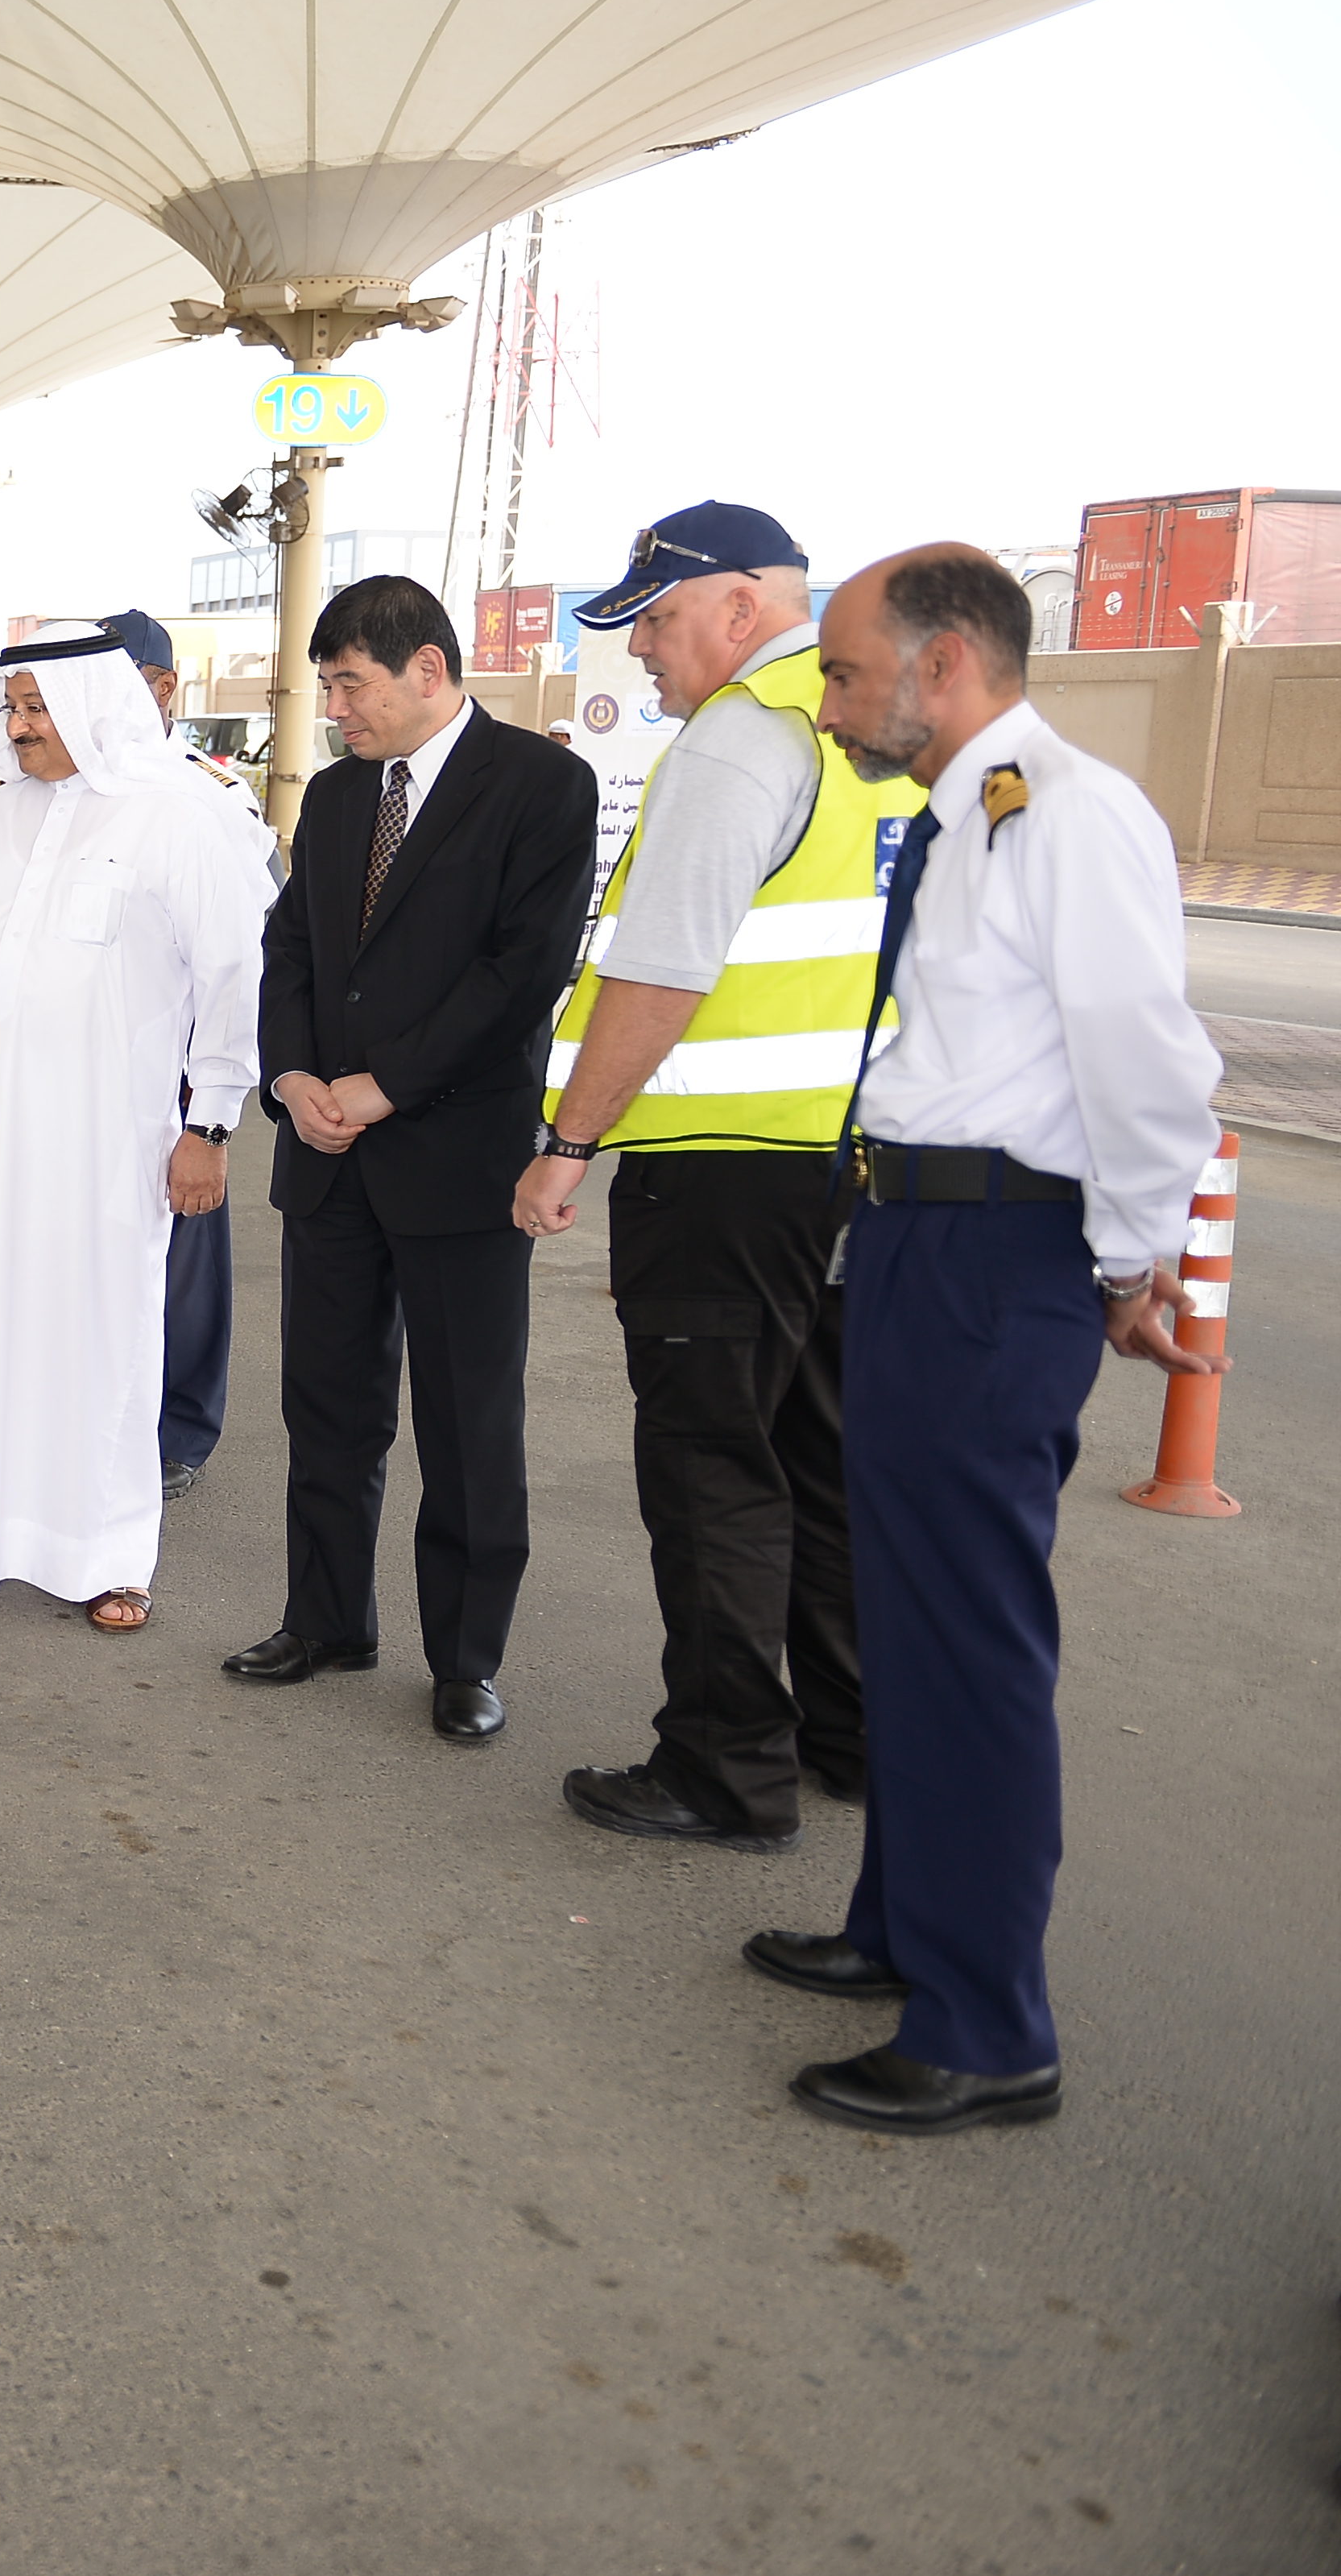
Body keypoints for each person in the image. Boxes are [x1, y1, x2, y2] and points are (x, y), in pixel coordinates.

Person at [745, 545, 1219, 2136]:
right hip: (916, 1236)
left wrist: (1119, 1259)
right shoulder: (968, 816)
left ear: (944, 665)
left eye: (845, 667)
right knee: (905, 1607)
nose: (829, 696)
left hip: (993, 1248)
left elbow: (1144, 1056)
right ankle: (904, 1926)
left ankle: (985, 2021)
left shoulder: (1062, 814)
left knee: (966, 1640)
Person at [516, 503, 902, 1856]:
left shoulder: (744, 735)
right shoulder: (875, 726)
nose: (645, 663)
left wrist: (567, 1140)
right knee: (823, 1465)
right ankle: (848, 1737)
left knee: (713, 1475)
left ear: (739, 608)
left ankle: (724, 1771)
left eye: (658, 626)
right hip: (856, 1167)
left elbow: (663, 967)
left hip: (724, 1175)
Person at [232, 574, 593, 1743]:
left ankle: (465, 1659)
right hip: (328, 1156)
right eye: (328, 685)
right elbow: (287, 948)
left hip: (456, 1158)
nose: (335, 709)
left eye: (350, 684)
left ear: (428, 669)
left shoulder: (542, 786)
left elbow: (523, 970)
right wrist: (291, 1081)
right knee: (328, 1408)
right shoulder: (338, 800)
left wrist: (386, 1084)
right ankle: (327, 1619)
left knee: (466, 1421)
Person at [0, 624, 265, 1623]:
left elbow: (232, 982)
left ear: (94, 705)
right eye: (16, 707)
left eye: (40, 708)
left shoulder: (178, 817)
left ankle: (104, 1553)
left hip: (98, 1141)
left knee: (93, 1333)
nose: (20, 726)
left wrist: (207, 1125)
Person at [97, 607, 278, 1501]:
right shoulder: (70, 780)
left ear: (162, 687)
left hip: (173, 1064)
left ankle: (176, 1427)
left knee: (181, 1253)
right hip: (87, 1060)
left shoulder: (207, 793)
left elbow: (237, 958)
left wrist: (212, 1109)